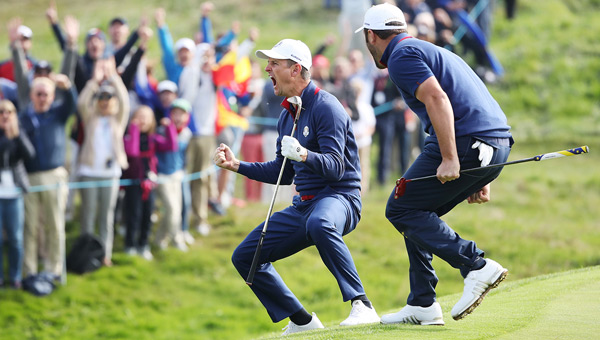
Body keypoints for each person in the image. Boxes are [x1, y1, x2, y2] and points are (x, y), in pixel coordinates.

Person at [356, 3, 513, 324]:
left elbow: (438, 99)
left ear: (371, 36)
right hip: (494, 142)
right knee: (414, 209)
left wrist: (453, 158)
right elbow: (472, 98)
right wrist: (481, 174)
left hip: (471, 142)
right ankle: (423, 303)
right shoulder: (428, 48)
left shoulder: (400, 57)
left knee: (400, 208)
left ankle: (476, 266)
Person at [214, 39, 380, 335]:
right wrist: (237, 165)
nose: (267, 69)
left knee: (320, 223)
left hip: (340, 198)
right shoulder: (286, 116)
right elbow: (282, 172)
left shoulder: (326, 107)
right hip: (304, 205)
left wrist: (304, 154)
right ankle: (302, 321)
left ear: (295, 69)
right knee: (245, 257)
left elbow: (336, 167)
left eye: (274, 64)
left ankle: (362, 304)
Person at [20, 75, 76, 281]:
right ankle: (30, 271)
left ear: (52, 97)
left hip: (54, 175)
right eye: (39, 94)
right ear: (32, 95)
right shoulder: (23, 118)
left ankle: (55, 269)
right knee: (31, 227)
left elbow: (72, 104)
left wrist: (67, 87)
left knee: (55, 224)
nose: (42, 98)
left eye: (46, 94)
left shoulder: (57, 114)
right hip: (29, 178)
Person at [76, 59, 130, 267]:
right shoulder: (90, 117)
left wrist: (114, 78)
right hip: (89, 171)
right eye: (101, 97)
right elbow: (82, 103)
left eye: (109, 97)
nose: (105, 101)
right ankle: (86, 254)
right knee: (87, 214)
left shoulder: (118, 119)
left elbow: (125, 101)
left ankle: (104, 254)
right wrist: (94, 82)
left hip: (110, 174)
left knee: (106, 217)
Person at [122, 105, 176, 260]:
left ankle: (143, 244)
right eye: (140, 116)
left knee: (147, 215)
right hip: (133, 183)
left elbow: (171, 145)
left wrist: (169, 127)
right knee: (134, 215)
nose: (143, 120)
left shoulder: (153, 138)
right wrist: (134, 128)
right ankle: (130, 245)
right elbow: (132, 151)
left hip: (149, 183)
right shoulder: (128, 137)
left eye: (147, 117)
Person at [0, 100, 35, 289]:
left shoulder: (18, 133)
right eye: (1, 112)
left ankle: (15, 276)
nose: (5, 115)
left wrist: (15, 134)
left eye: (9, 112)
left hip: (14, 195)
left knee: (15, 238)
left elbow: (29, 154)